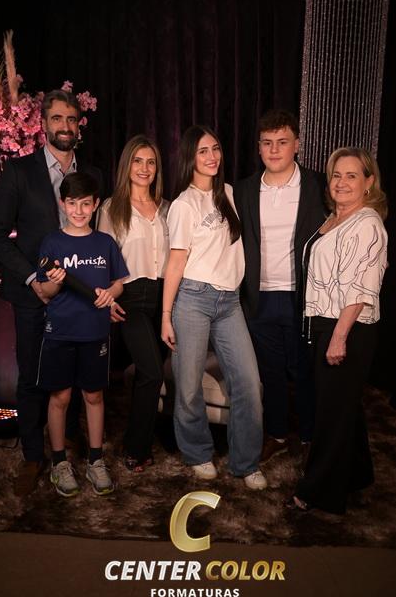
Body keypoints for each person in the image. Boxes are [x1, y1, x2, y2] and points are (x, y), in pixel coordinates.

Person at [0, 89, 103, 496]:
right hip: (32, 294)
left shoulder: (92, 174)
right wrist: (32, 281)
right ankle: (32, 455)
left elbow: (97, 237)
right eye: (57, 118)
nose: (65, 126)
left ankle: (68, 443)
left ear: (79, 126)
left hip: (77, 295)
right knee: (31, 375)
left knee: (72, 373)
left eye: (71, 119)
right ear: (43, 124)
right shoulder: (19, 172)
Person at [161, 125, 265, 490]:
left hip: (229, 301)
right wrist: (166, 316)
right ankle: (197, 453)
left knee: (249, 383)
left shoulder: (230, 194)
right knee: (188, 386)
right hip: (192, 299)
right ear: (190, 157)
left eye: (216, 149)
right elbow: (175, 263)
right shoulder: (183, 205)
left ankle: (246, 462)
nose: (212, 157)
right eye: (203, 151)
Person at [289, 147, 388, 514]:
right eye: (336, 175)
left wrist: (339, 336)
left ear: (369, 182)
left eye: (351, 175)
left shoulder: (367, 224)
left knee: (330, 414)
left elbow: (362, 288)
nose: (342, 182)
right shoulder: (334, 218)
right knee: (344, 407)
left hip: (347, 327)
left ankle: (317, 493)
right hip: (323, 323)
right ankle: (358, 477)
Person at [234, 109, 326, 463]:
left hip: (303, 296)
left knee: (303, 371)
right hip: (259, 297)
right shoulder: (244, 189)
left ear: (297, 145)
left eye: (282, 142)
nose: (274, 150)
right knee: (270, 372)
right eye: (267, 143)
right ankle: (276, 433)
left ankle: (309, 437)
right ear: (259, 147)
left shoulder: (318, 185)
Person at [36, 172, 128, 496]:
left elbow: (119, 283)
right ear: (63, 204)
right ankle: (59, 462)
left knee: (94, 396)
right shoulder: (52, 243)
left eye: (85, 204)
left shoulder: (105, 243)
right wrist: (55, 282)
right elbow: (46, 293)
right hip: (60, 331)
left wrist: (110, 293)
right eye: (72, 204)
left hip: (95, 331)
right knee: (60, 397)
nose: (78, 211)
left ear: (95, 204)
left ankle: (96, 460)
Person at [98, 135, 169, 472]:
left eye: (150, 162)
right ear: (127, 165)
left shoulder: (167, 208)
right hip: (130, 298)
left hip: (165, 297)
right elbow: (102, 260)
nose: (145, 168)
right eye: (138, 161)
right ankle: (135, 447)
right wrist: (107, 299)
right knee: (152, 371)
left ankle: (147, 436)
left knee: (150, 371)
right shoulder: (111, 208)